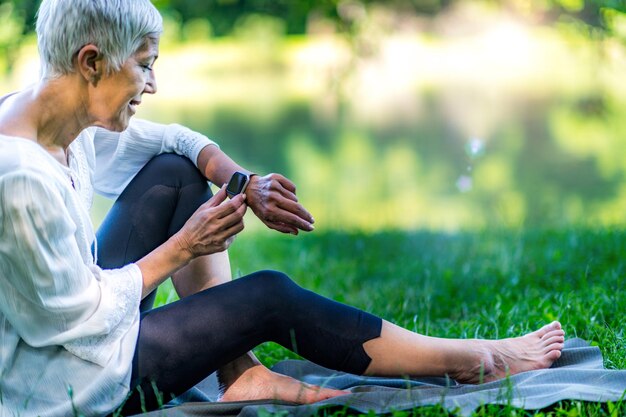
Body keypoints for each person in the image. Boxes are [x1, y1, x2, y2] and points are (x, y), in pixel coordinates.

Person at [0, 0, 566, 415]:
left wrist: (244, 185)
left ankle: (239, 373)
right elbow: (71, 321)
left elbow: (173, 143)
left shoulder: (57, 117)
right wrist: (183, 248)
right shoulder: (19, 175)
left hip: (81, 328)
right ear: (92, 62)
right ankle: (471, 359)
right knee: (269, 296)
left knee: (178, 176)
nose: (152, 83)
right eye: (144, 65)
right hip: (67, 382)